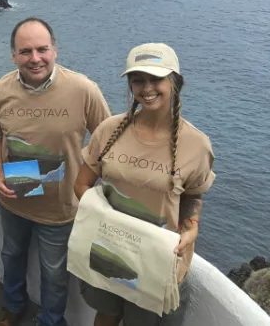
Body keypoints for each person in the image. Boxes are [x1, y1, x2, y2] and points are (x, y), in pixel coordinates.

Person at [74, 43, 215, 326]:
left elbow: (193, 196)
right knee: (106, 314)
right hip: (109, 250)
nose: (146, 87)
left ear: (175, 82)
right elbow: (82, 185)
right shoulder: (110, 129)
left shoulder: (196, 144)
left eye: (156, 78)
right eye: (138, 79)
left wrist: (191, 229)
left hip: (158, 263)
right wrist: (108, 221)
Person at [0, 18, 111, 326]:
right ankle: (14, 307)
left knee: (54, 272)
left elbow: (107, 142)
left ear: (55, 50)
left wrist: (88, 187)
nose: (35, 58)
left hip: (61, 208)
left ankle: (51, 321)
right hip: (14, 199)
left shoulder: (83, 89)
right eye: (25, 51)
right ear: (13, 55)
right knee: (11, 256)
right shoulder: (0, 91)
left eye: (42, 49)